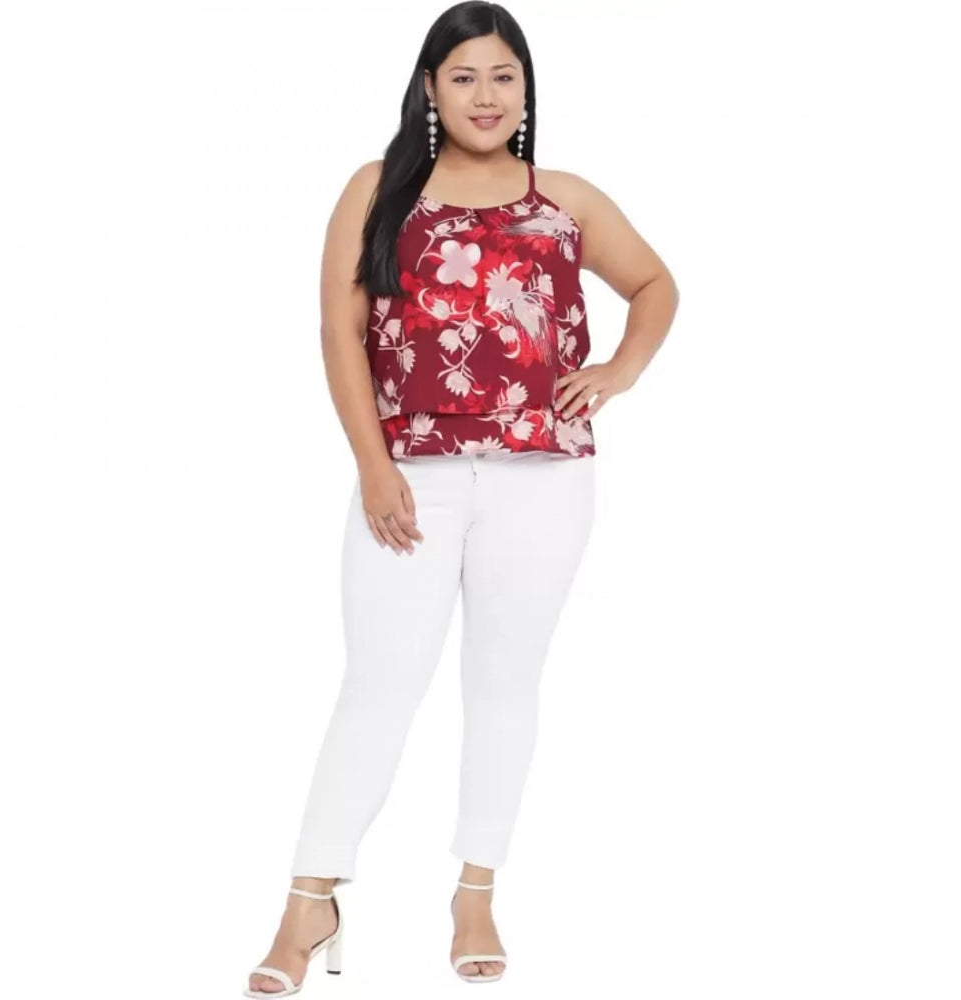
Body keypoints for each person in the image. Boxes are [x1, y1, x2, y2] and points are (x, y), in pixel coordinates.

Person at [244, 2, 678, 995]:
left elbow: (654, 284)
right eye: (465, 76)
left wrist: (619, 370)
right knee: (378, 684)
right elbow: (339, 333)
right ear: (430, 90)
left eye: (503, 76)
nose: (487, 96)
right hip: (414, 476)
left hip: (546, 479)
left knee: (504, 681)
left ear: (526, 89)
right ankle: (309, 898)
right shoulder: (379, 187)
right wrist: (373, 467)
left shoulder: (564, 197)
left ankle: (476, 890)